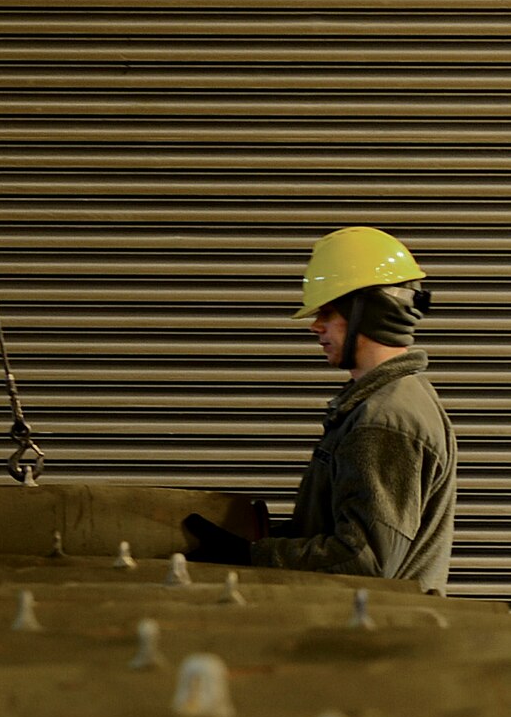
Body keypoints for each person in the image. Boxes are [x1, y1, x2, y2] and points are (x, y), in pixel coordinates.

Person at [185, 226, 457, 594]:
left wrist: (251, 555)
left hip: (371, 638)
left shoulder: (384, 421)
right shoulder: (386, 402)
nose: (316, 326)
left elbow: (365, 561)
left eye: (328, 312)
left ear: (368, 311)